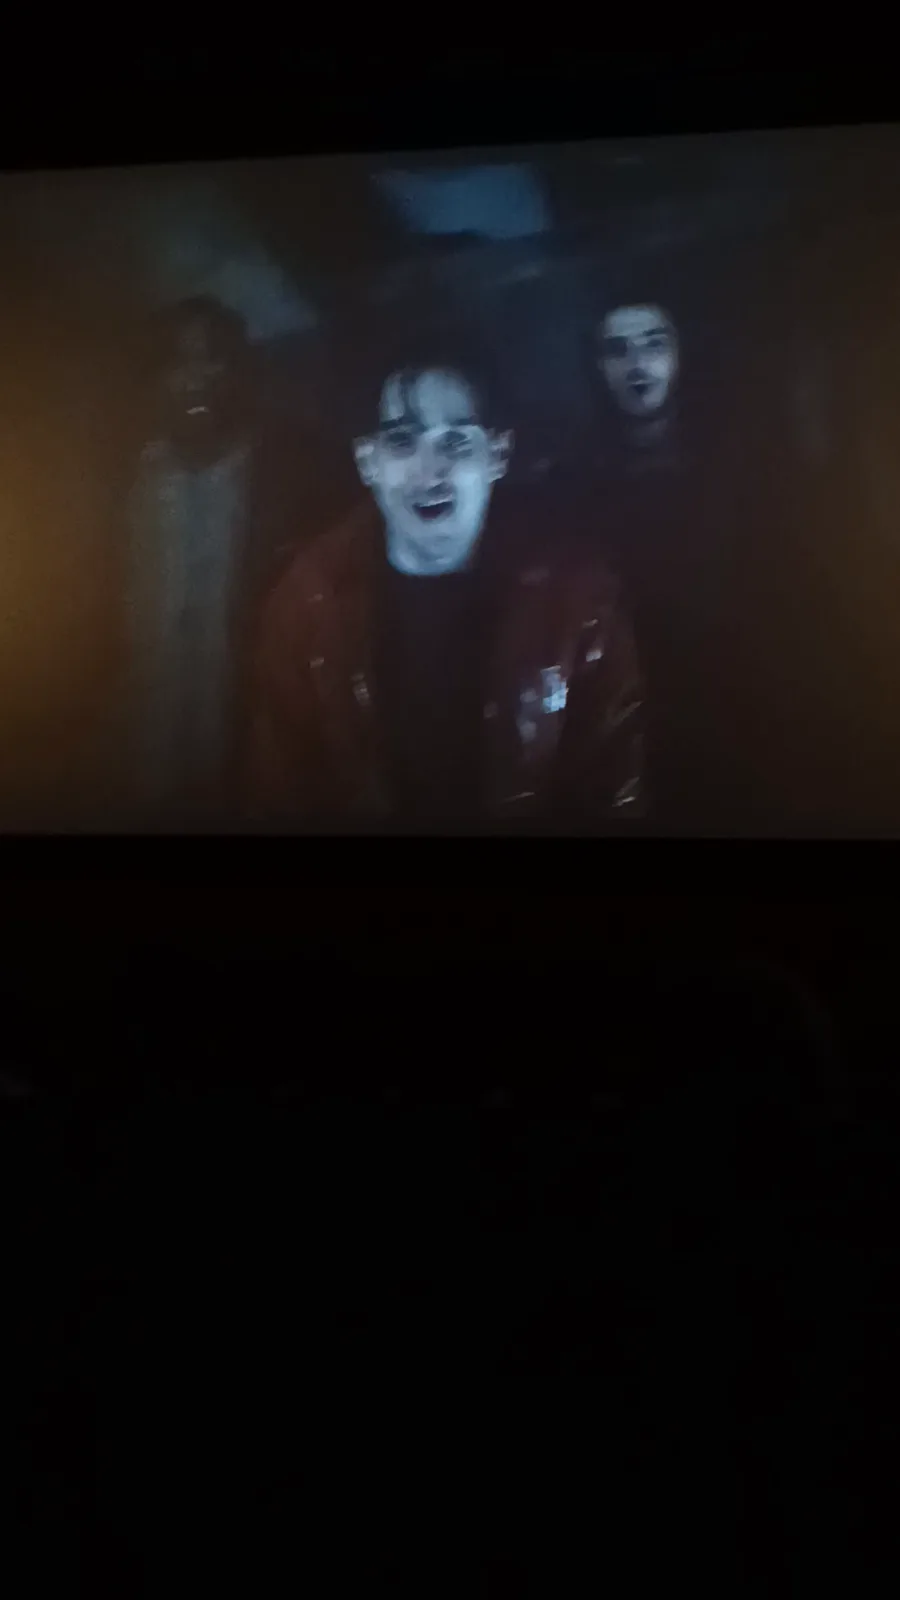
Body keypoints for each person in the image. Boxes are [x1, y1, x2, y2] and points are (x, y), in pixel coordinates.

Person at [246, 330, 645, 827]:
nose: (430, 471)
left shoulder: (578, 601)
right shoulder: (306, 604)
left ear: (497, 454)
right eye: (402, 441)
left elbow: (614, 790)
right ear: (367, 461)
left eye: (455, 441)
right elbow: (281, 793)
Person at [122, 294, 309, 825]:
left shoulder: (282, 484)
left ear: (238, 372)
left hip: (242, 772)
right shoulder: (122, 485)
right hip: (134, 767)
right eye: (180, 360)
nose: (196, 378)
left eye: (213, 359)